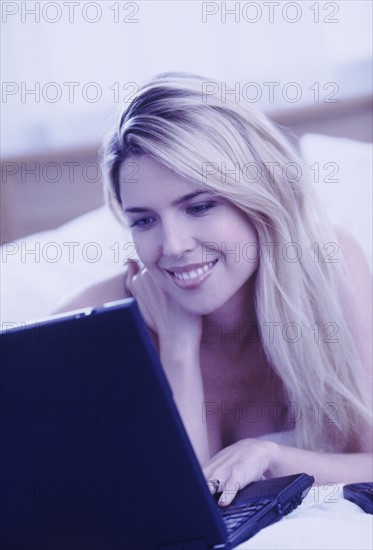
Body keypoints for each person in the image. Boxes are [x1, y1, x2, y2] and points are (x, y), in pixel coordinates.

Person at [56, 72, 372, 506]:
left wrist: (271, 457)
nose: (173, 246)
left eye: (200, 206)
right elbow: (177, 509)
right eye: (144, 220)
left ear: (260, 197)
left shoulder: (328, 264)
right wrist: (178, 349)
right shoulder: (89, 323)